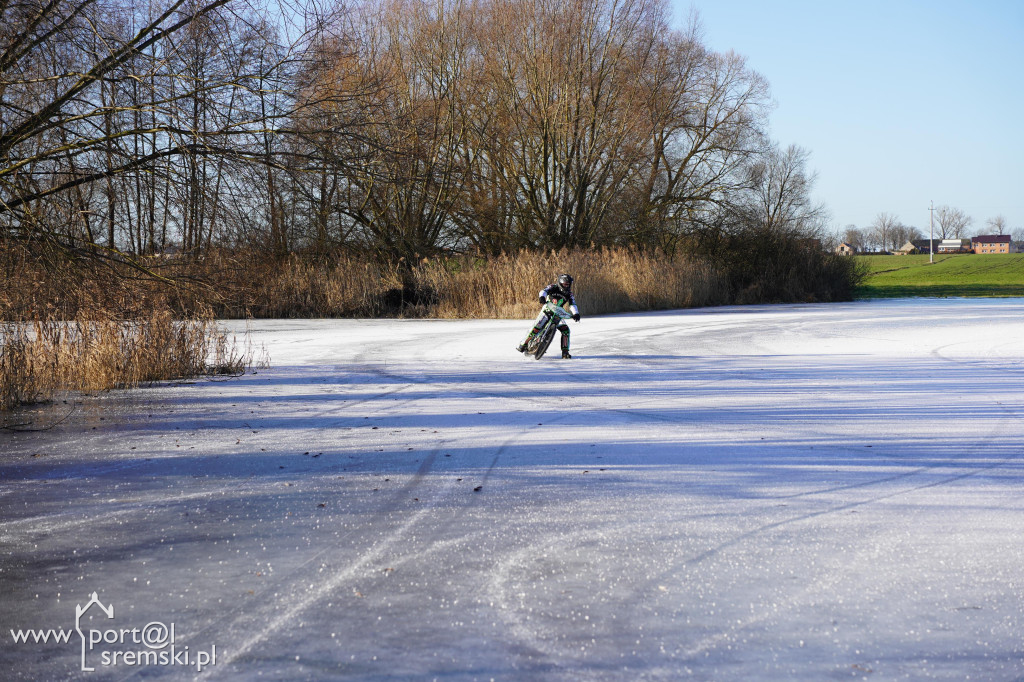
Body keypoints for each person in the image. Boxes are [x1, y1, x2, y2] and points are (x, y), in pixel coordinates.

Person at [516, 273, 580, 358]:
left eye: (568, 284)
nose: (567, 286)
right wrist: (542, 297)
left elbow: (573, 304)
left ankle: (565, 352)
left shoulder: (570, 294)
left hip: (558, 314)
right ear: (560, 283)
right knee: (536, 328)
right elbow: (543, 291)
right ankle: (523, 344)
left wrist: (576, 313)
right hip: (547, 310)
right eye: (565, 284)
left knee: (566, 330)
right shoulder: (553, 287)